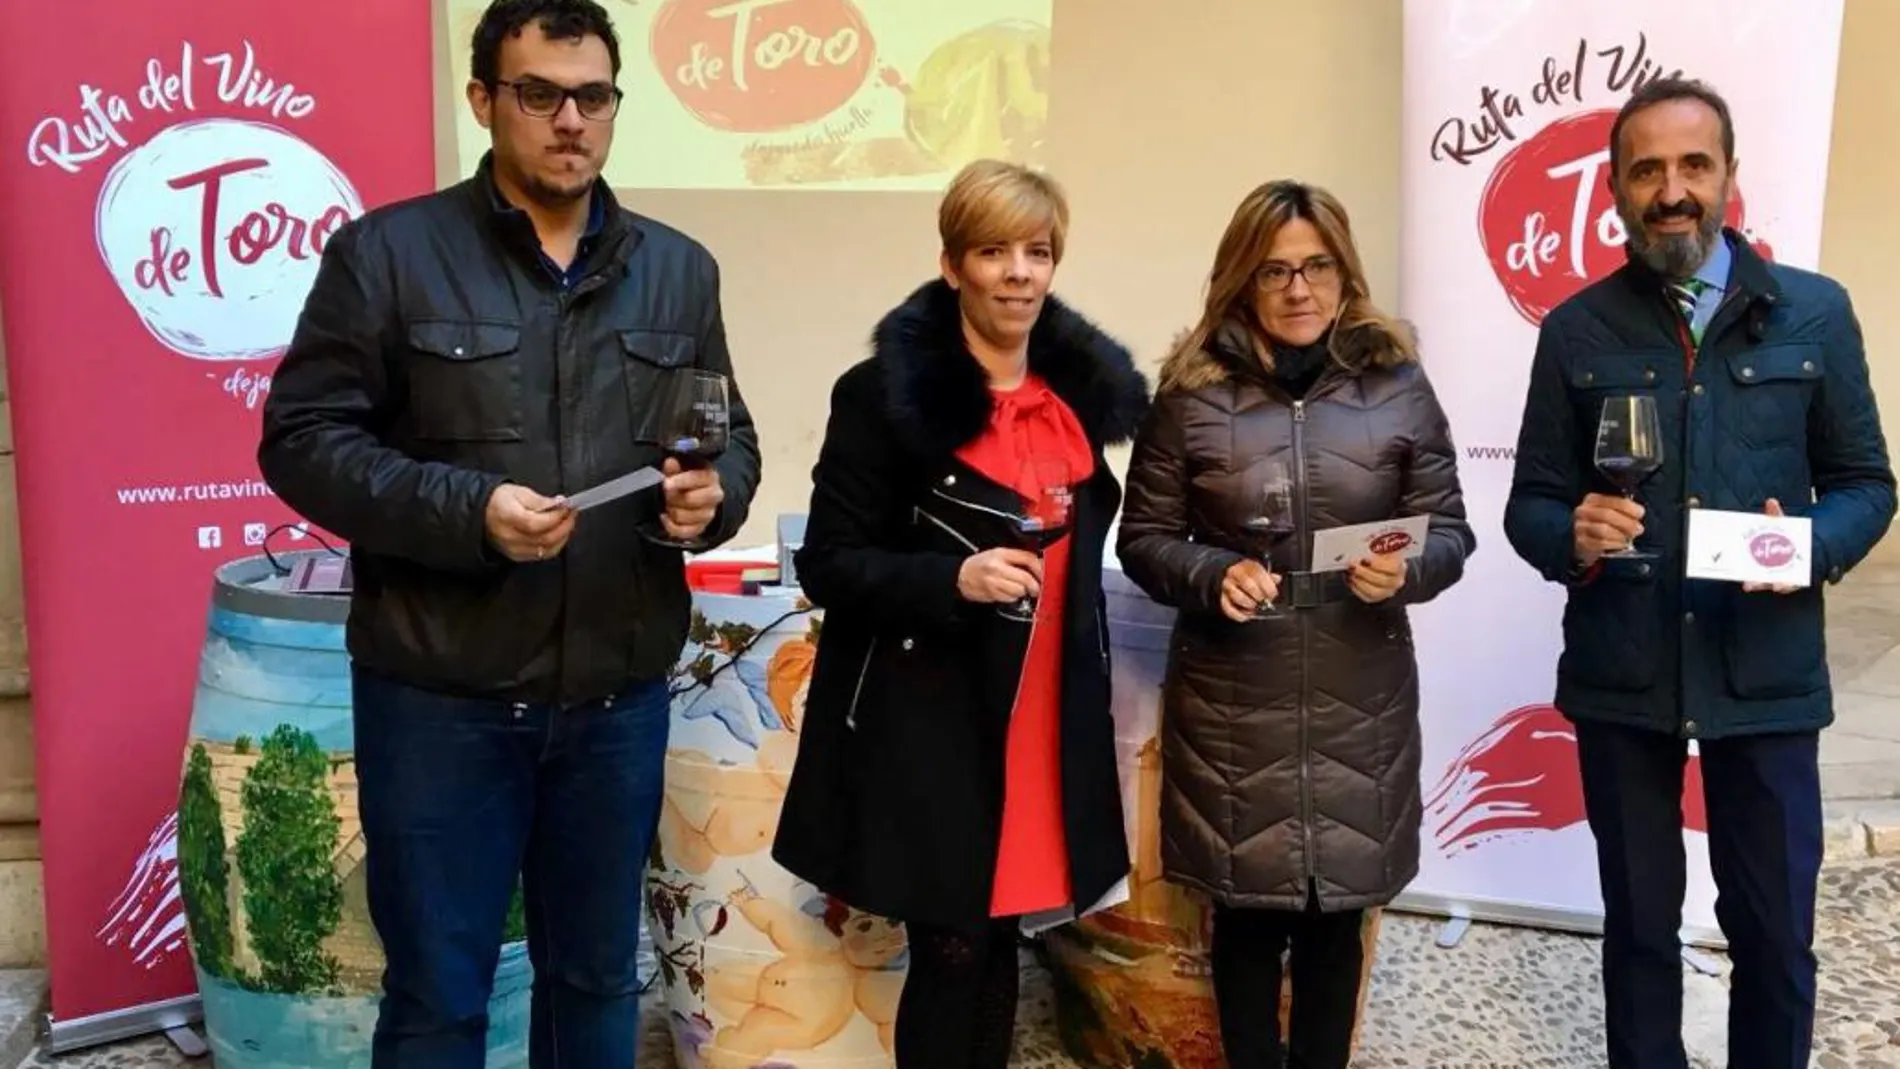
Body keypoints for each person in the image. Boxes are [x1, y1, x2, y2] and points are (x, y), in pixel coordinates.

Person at [257, 1, 761, 1065]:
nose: (569, 120)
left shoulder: (681, 269)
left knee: (593, 982)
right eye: (539, 94)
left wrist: (709, 500)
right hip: (441, 703)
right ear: (484, 101)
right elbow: (301, 441)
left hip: (614, 702)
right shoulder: (386, 255)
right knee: (439, 993)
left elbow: (732, 440)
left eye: (593, 96)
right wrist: (466, 512)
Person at [1504, 77, 1894, 1069]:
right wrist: (1571, 531)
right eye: (1646, 170)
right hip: (1622, 681)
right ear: (1614, 188)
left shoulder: (1813, 313)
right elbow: (1530, 506)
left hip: (1761, 676)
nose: (1670, 189)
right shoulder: (1577, 331)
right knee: (1638, 933)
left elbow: (1864, 482)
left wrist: (1807, 545)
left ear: (1727, 176)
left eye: (1691, 165)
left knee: (1772, 935)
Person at [770, 159, 1149, 1069]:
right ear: (952, 265)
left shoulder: (1072, 410)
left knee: (999, 942)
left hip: (1046, 720)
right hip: (932, 725)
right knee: (952, 946)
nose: (1018, 272)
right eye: (993, 251)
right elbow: (827, 561)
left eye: (1038, 251)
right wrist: (952, 581)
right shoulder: (881, 401)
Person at [1116, 179, 1475, 1069]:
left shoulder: (1398, 384)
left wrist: (1409, 568)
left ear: (1345, 272)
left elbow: (1452, 528)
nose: (1298, 289)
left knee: (1335, 927)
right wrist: (1208, 572)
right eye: (1273, 270)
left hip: (1363, 688)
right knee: (1243, 920)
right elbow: (1145, 537)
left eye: (1317, 266)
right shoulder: (1191, 393)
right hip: (1235, 696)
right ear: (1240, 281)